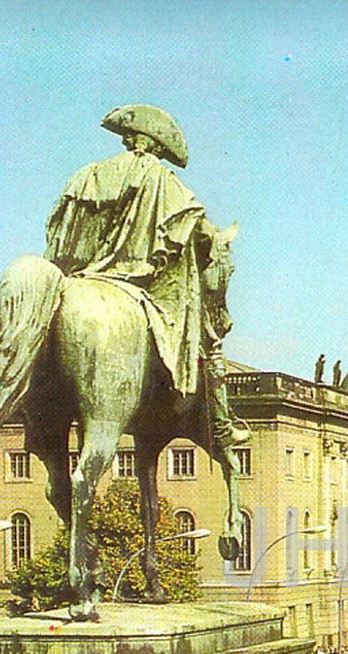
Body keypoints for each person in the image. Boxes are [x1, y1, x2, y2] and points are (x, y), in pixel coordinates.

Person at [43, 105, 248, 448]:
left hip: (80, 278)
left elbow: (60, 233)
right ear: (156, 146)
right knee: (210, 344)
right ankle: (222, 425)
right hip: (141, 282)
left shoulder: (89, 174)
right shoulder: (163, 181)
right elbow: (194, 230)